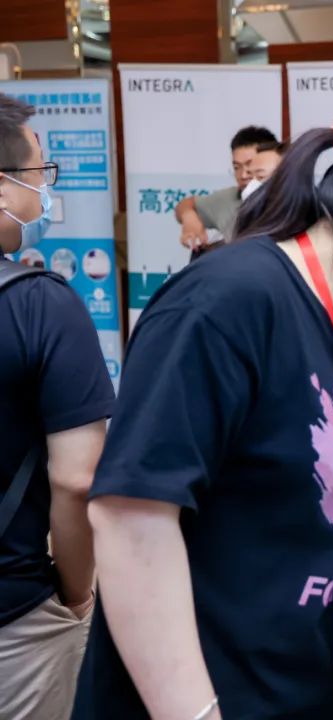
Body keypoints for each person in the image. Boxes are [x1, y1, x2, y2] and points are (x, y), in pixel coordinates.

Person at [71, 108, 333, 719]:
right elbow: (131, 521)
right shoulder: (227, 302)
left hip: (296, 683)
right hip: (218, 693)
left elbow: (291, 496)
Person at [0, 93, 113, 719]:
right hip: (15, 621)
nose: (45, 191)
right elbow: (76, 478)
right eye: (39, 174)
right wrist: (75, 596)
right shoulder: (41, 304)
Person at [175, 125, 278, 253]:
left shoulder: (291, 202)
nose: (243, 175)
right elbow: (186, 204)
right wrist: (189, 218)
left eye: (250, 165)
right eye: (237, 167)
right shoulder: (228, 198)